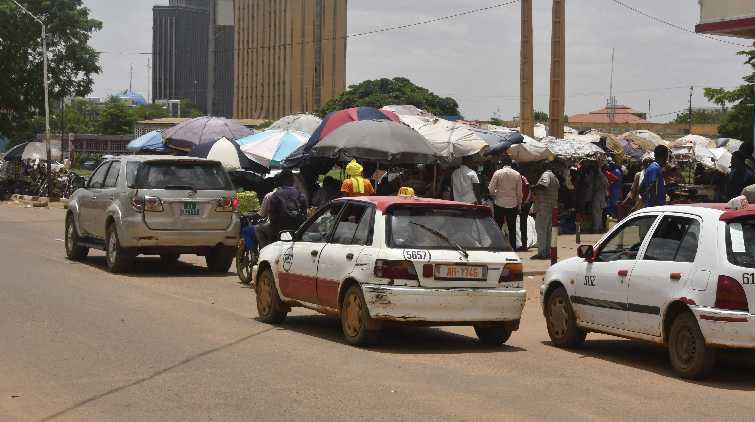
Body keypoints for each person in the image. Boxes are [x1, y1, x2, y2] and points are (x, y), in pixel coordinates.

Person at [488, 155, 522, 249]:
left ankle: (498, 246)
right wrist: (519, 206)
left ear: (502, 163)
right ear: (511, 163)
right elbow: (519, 193)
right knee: (512, 227)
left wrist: (497, 192)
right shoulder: (517, 174)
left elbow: (491, 189)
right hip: (512, 203)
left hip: (500, 202)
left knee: (498, 226)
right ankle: (513, 248)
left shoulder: (498, 173)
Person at [241, 174, 281, 250]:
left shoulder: (270, 196)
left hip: (274, 228)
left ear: (275, 183)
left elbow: (260, 215)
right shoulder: (294, 194)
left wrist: (246, 215)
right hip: (288, 228)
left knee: (246, 231)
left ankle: (261, 251)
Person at [530, 161, 560, 260]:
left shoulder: (546, 175)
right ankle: (548, 251)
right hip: (552, 208)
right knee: (548, 231)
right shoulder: (554, 177)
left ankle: (542, 252)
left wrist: (533, 187)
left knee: (541, 230)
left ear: (543, 167)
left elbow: (544, 185)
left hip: (543, 207)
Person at [269, 169, 308, 242]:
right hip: (298, 233)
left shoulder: (275, 197)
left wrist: (270, 239)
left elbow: (273, 219)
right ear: (292, 179)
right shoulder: (301, 196)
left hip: (281, 233)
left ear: (281, 180)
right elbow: (305, 215)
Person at [513, 161, 532, 252]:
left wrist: (527, 200)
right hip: (518, 203)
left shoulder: (522, 178)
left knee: (522, 223)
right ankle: (520, 244)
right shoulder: (515, 178)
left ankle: (524, 245)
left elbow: (529, 188)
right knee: (518, 224)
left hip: (524, 204)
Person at [587, 163, 609, 233]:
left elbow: (606, 184)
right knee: (598, 213)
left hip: (598, 196)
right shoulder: (593, 175)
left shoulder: (600, 174)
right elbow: (587, 181)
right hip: (597, 196)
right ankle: (600, 227)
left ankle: (596, 228)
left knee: (596, 212)